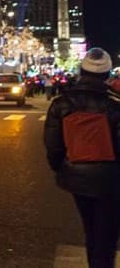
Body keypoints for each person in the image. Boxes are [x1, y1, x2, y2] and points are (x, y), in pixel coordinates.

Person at [44, 48, 120, 268]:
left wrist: (62, 168)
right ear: (106, 75)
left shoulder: (61, 103)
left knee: (91, 229)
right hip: (110, 178)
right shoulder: (114, 105)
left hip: (76, 176)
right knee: (106, 236)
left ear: (81, 71)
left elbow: (53, 145)